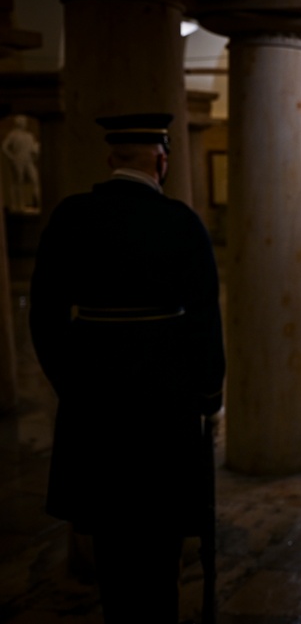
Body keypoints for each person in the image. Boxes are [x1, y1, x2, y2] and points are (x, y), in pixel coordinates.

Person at [29, 113, 226, 624]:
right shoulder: (181, 222)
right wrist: (209, 392)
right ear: (161, 161)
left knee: (111, 535)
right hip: (165, 403)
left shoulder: (71, 216)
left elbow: (44, 316)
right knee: (159, 539)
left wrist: (71, 382)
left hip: (93, 402)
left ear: (111, 157)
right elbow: (205, 317)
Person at [2, 114, 41, 212]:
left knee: (35, 179)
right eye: (22, 121)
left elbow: (33, 148)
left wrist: (36, 151)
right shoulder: (13, 134)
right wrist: (12, 157)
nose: (24, 123)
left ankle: (36, 202)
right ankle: (17, 205)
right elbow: (4, 147)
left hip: (28, 160)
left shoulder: (29, 135)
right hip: (18, 160)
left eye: (24, 121)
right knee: (17, 183)